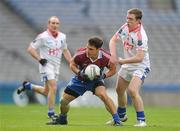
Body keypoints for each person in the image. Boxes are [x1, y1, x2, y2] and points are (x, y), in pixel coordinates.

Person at [47, 36, 122, 126]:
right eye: (87, 47)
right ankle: (62, 118)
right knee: (63, 101)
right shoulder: (80, 54)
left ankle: (117, 120)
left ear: (98, 49)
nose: (87, 50)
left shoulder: (106, 57)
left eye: (91, 49)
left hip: (96, 80)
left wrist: (104, 75)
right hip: (80, 80)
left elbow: (113, 70)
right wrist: (79, 72)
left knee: (103, 95)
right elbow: (72, 64)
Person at [17, 16, 72, 118]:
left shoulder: (62, 37)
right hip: (46, 65)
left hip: (56, 66)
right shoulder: (42, 37)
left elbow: (65, 50)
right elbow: (30, 49)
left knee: (47, 91)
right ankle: (51, 113)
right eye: (53, 23)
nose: (55, 25)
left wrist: (71, 62)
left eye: (57, 23)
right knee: (54, 87)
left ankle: (28, 86)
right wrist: (39, 59)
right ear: (48, 24)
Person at [108, 8, 150, 127]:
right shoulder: (125, 27)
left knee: (132, 90)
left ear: (138, 21)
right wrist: (114, 56)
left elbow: (140, 57)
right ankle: (121, 116)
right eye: (127, 18)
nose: (127, 21)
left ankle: (141, 120)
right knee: (119, 90)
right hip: (128, 64)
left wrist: (122, 61)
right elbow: (112, 40)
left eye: (130, 19)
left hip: (140, 66)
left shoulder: (141, 36)